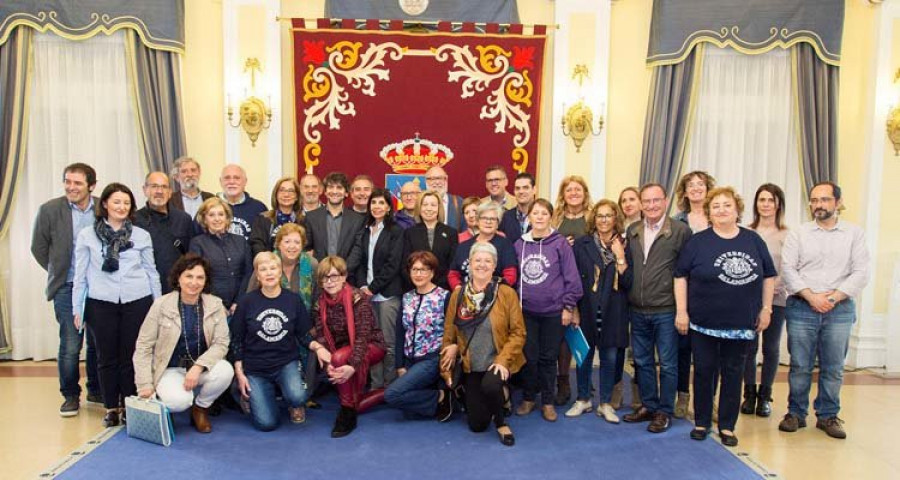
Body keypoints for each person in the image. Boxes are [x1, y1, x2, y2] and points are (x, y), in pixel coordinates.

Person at [674, 187, 776, 447]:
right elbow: (680, 277)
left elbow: (768, 276)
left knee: (733, 373)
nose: (721, 210)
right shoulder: (698, 242)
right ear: (709, 211)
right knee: (704, 372)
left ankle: (728, 426)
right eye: (716, 206)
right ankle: (702, 422)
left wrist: (767, 309)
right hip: (703, 323)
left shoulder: (753, 241)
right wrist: (682, 311)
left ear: (737, 209)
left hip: (741, 323)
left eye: (726, 205)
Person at [778, 181, 869, 440]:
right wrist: (811, 296)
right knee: (800, 365)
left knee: (833, 367)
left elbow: (861, 271)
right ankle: (796, 413)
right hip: (802, 307)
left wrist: (834, 297)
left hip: (838, 309)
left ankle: (828, 415)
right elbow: (788, 268)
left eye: (825, 200)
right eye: (815, 200)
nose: (819, 205)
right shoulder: (800, 233)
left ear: (837, 203)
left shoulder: (854, 234)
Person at [73, 183, 162, 427]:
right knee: (105, 356)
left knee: (131, 355)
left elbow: (151, 271)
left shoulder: (141, 235)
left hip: (137, 299)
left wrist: (157, 305)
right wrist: (76, 308)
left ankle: (130, 403)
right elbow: (80, 276)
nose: (121, 207)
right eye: (116, 202)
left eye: (126, 203)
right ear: (105, 205)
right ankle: (112, 407)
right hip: (101, 302)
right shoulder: (87, 235)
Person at [30, 163, 101, 416]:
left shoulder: (103, 208)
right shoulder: (49, 210)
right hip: (66, 287)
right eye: (67, 182)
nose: (71, 187)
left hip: (99, 287)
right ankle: (70, 395)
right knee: (71, 344)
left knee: (96, 343)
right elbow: (38, 248)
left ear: (91, 186)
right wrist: (58, 271)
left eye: (78, 183)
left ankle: (96, 389)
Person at [133, 254, 234, 433]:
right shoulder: (161, 305)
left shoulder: (215, 304)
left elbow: (221, 343)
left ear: (205, 281)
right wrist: (144, 385)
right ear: (178, 278)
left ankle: (200, 408)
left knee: (226, 370)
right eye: (189, 276)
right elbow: (143, 346)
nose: (194, 282)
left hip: (199, 369)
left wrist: (198, 367)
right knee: (178, 401)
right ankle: (170, 400)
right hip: (169, 369)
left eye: (200, 277)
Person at [231, 252, 329, 431]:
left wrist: (318, 347)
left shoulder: (292, 300)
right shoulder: (246, 302)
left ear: (280, 272)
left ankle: (292, 402)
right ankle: (250, 396)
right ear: (258, 275)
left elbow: (303, 335)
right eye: (263, 269)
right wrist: (240, 373)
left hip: (285, 363)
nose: (269, 273)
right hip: (255, 368)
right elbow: (237, 340)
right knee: (266, 424)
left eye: (273, 268)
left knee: (299, 396)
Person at [441, 242, 526, 446]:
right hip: (471, 364)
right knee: (477, 425)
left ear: (495, 265)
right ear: (469, 263)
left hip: (496, 360)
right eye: (477, 260)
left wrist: (503, 361)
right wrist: (450, 348)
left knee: (490, 385)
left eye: (487, 261)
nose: (482, 265)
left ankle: (501, 422)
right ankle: (500, 395)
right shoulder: (458, 294)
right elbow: (449, 328)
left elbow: (518, 332)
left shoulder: (506, 293)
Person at [622, 183, 691, 434]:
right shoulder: (633, 230)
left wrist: (683, 310)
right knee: (641, 361)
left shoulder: (681, 231)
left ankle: (664, 411)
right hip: (637, 308)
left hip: (666, 309)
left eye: (656, 200)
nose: (651, 205)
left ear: (665, 201)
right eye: (647, 201)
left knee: (669, 363)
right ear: (641, 204)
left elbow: (686, 273)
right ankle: (649, 406)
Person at [513, 199, 583, 422]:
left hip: (554, 311)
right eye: (536, 213)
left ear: (550, 217)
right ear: (529, 217)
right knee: (529, 357)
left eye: (544, 213)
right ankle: (528, 398)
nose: (540, 217)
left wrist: (568, 307)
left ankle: (548, 402)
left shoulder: (560, 244)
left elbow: (572, 278)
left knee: (548, 357)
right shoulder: (519, 245)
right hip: (526, 312)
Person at [569, 200, 631, 423]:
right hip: (586, 308)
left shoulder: (625, 244)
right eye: (600, 216)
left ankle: (605, 403)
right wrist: (573, 308)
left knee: (610, 357)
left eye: (608, 215)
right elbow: (573, 279)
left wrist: (620, 256)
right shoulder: (582, 244)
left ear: (616, 218)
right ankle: (583, 399)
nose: (604, 220)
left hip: (614, 309)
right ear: (593, 219)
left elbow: (629, 282)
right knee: (583, 356)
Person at [311, 256, 387, 437]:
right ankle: (384, 394)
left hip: (371, 345)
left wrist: (352, 366)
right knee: (337, 360)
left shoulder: (358, 299)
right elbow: (322, 336)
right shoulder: (319, 304)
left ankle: (346, 411)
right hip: (341, 352)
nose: (329, 282)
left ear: (344, 277)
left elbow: (362, 336)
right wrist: (329, 362)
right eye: (325, 278)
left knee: (339, 358)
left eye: (334, 276)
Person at [248, 223, 320, 405]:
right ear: (278, 244)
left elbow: (319, 297)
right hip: (271, 324)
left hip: (304, 323)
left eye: (297, 242)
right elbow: (250, 298)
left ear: (303, 245)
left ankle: (304, 396)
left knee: (311, 340)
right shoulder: (268, 264)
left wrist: (313, 325)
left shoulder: (311, 264)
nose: (292, 246)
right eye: (287, 241)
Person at [384, 251, 453, 420]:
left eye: (423, 270)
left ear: (432, 272)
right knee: (406, 406)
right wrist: (400, 365)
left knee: (391, 395)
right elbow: (400, 332)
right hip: (409, 359)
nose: (418, 274)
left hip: (431, 359)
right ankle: (433, 396)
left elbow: (452, 330)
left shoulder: (444, 297)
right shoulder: (407, 297)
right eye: (414, 269)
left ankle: (441, 397)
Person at [741, 184, 789, 417]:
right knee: (749, 348)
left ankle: (765, 395)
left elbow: (790, 267)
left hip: (777, 298)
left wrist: (773, 288)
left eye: (771, 200)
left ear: (778, 204)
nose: (766, 204)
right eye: (762, 200)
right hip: (748, 299)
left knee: (770, 348)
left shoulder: (787, 234)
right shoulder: (746, 232)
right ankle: (749, 394)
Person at [672, 170, 716, 418]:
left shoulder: (718, 217)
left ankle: (709, 400)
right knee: (683, 348)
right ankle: (682, 397)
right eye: (691, 185)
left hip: (714, 294)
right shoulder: (678, 221)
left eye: (701, 184)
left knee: (711, 352)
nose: (697, 188)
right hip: (685, 291)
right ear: (685, 192)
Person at [354, 188, 405, 389]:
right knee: (372, 343)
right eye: (373, 203)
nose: (377, 206)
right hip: (367, 293)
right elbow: (360, 261)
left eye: (381, 203)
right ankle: (375, 386)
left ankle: (390, 385)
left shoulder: (395, 231)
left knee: (389, 343)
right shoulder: (366, 230)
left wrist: (372, 288)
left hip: (387, 294)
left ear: (388, 207)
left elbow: (393, 264)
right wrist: (362, 286)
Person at [551, 175, 592, 405]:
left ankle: (585, 381)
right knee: (565, 335)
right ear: (563, 194)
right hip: (561, 281)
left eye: (578, 189)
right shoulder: (555, 218)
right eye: (569, 190)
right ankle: (563, 380)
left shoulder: (592, 217)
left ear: (585, 193)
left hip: (588, 281)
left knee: (586, 332)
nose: (574, 193)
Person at [135, 172, 195, 295]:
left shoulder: (184, 219)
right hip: (146, 290)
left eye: (164, 187)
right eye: (154, 186)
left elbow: (191, 257)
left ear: (170, 192)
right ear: (145, 190)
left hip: (178, 289)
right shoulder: (134, 220)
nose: (159, 191)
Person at [189, 198, 252, 314]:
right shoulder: (197, 243)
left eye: (221, 214)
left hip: (240, 305)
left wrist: (239, 301)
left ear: (227, 218)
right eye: (211, 215)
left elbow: (248, 273)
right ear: (204, 219)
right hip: (210, 306)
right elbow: (197, 276)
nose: (217, 219)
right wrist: (215, 303)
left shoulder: (241, 241)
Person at [448, 202, 518, 289]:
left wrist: (494, 291)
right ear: (477, 221)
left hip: (495, 296)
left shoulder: (505, 245)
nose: (488, 222)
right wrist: (459, 289)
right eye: (484, 218)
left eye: (493, 219)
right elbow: (453, 274)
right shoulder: (463, 246)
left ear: (497, 224)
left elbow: (511, 275)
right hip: (466, 297)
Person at [304, 172, 365, 269]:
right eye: (331, 187)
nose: (334, 191)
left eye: (339, 188)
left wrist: (342, 272)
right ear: (325, 191)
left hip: (347, 276)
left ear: (346, 193)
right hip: (319, 275)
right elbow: (307, 249)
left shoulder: (357, 220)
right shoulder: (311, 217)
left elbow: (357, 250)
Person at [618, 186, 643, 410]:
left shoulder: (646, 229)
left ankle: (638, 396)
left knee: (639, 349)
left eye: (632, 199)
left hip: (640, 292)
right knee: (618, 345)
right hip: (618, 294)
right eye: (624, 200)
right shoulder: (617, 229)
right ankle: (616, 393)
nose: (628, 204)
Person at [402, 190, 458, 291]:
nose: (429, 209)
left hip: (443, 289)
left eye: (433, 205)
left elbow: (453, 264)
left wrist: (436, 288)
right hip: (415, 289)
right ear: (419, 208)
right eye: (425, 205)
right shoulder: (409, 233)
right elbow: (405, 265)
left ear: (439, 208)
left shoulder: (451, 233)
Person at [250, 177, 305, 257]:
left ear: (297, 197)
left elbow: (306, 247)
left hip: (297, 266)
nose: (286, 194)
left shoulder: (304, 221)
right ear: (276, 195)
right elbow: (257, 245)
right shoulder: (263, 219)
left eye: (291, 191)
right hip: (269, 265)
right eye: (282, 190)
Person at [218, 164, 266, 240]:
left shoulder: (259, 208)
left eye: (237, 178)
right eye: (227, 178)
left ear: (245, 181)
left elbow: (263, 241)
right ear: (220, 181)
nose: (232, 181)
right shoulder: (209, 207)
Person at [425, 166, 466, 231]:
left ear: (446, 179)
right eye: (433, 179)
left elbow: (465, 232)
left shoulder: (459, 202)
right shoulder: (420, 203)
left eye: (440, 178)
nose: (437, 182)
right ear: (426, 181)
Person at [500, 172, 536, 244]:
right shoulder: (505, 217)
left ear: (534, 190)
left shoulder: (543, 216)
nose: (521, 191)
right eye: (517, 188)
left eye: (525, 188)